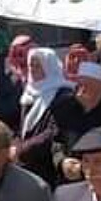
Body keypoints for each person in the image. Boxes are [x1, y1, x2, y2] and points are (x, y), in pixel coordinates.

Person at [53, 62, 101, 184]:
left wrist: (86, 167)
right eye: (79, 85)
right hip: (67, 178)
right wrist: (62, 161)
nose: (81, 90)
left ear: (100, 88)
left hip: (99, 181)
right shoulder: (66, 108)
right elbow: (56, 141)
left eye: (86, 85)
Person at [16, 47, 74, 186]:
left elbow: (52, 132)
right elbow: (22, 128)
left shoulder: (63, 95)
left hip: (47, 166)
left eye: (38, 66)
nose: (33, 69)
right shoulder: (28, 94)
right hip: (26, 162)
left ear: (49, 67)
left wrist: (22, 149)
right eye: (31, 65)